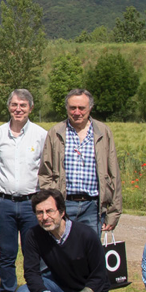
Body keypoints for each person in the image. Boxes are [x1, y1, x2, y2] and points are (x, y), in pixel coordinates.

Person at [14, 189, 117, 292]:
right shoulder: (34, 235)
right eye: (39, 213)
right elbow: (31, 273)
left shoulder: (86, 235)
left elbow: (99, 276)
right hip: (61, 286)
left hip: (91, 291)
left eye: (49, 211)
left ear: (62, 212)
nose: (45, 217)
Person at [0, 89, 47, 292]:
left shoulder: (41, 135)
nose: (18, 109)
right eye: (14, 105)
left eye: (23, 105)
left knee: (34, 252)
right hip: (4, 203)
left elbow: (45, 167)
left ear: (30, 108)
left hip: (32, 203)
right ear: (8, 107)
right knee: (7, 252)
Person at [38, 89, 121, 233]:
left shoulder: (103, 132)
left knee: (89, 252)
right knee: (61, 251)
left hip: (93, 206)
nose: (77, 112)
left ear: (90, 108)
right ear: (67, 108)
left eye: (81, 108)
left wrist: (114, 211)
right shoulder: (56, 132)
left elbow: (113, 173)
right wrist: (50, 204)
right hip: (63, 204)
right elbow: (45, 172)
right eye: (72, 108)